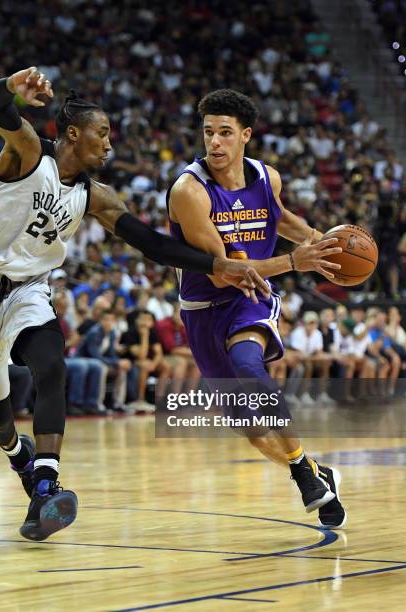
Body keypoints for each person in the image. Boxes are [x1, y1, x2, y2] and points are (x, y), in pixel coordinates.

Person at [0, 67, 266, 541]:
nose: (110, 144)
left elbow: (152, 244)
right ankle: (21, 458)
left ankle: (46, 483)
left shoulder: (95, 197)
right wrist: (11, 91)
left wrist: (216, 266)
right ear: (74, 134)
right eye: (103, 134)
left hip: (28, 288)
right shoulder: (30, 155)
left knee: (51, 364)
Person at [167, 89, 346, 529]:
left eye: (225, 133)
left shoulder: (268, 178)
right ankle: (316, 471)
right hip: (206, 302)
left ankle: (304, 475)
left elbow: (278, 217)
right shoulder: (189, 192)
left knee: (249, 367)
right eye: (208, 132)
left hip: (250, 300)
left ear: (245, 135)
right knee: (253, 430)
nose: (215, 142)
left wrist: (319, 239)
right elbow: (221, 273)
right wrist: (292, 261)